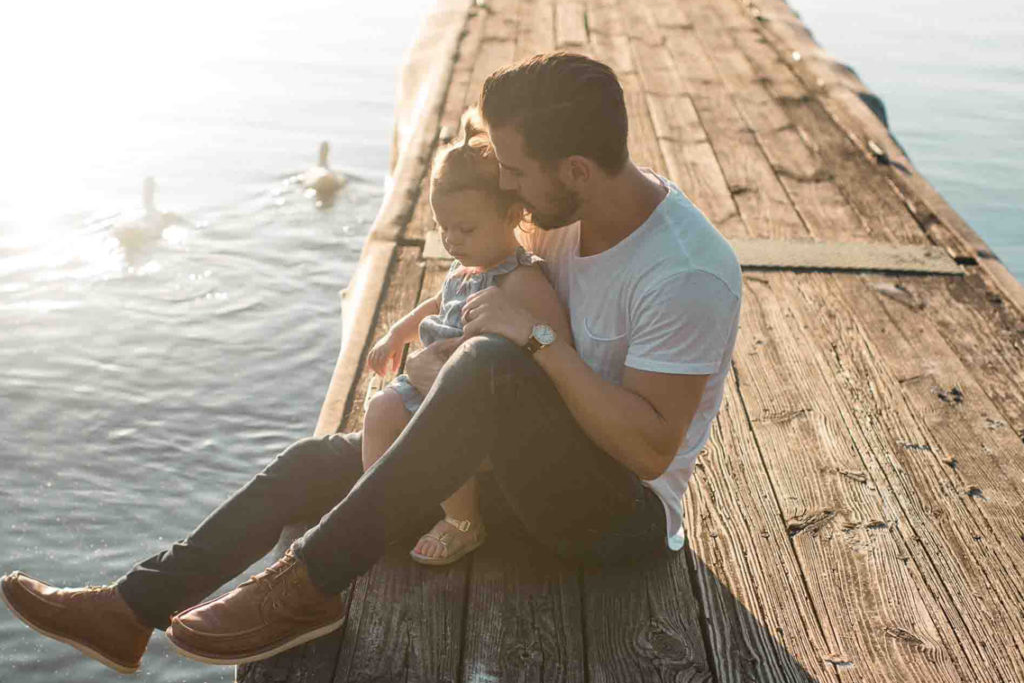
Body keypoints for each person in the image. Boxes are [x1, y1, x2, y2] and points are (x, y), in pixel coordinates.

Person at [0, 52, 742, 673]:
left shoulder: (684, 271)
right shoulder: (561, 219)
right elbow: (490, 280)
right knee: (310, 463)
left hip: (614, 515)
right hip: (518, 470)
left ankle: (308, 586)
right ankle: (130, 608)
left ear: (576, 169)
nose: (505, 185)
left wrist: (536, 343)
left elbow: (649, 451)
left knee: (487, 364)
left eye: (515, 170)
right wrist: (414, 320)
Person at [362, 108, 570, 566]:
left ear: (513, 214)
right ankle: (379, 507)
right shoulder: (466, 267)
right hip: (429, 377)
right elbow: (437, 305)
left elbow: (553, 343)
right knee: (379, 411)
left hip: (473, 398)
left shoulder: (521, 280)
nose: (452, 240)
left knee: (446, 438)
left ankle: (463, 521)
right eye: (443, 228)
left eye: (466, 228)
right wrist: (398, 333)